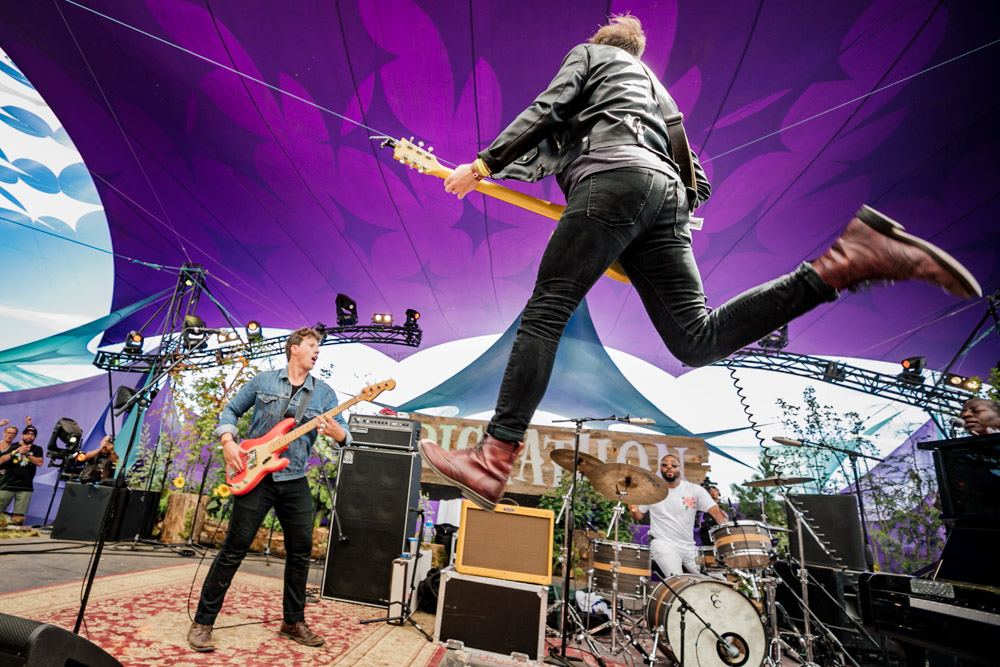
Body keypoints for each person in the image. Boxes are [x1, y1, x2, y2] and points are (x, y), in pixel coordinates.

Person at [418, 14, 982, 511]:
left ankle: (493, 459)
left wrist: (484, 164)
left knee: (547, 312)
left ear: (603, 41)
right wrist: (644, 222)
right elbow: (698, 182)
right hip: (665, 201)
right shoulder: (664, 99)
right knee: (697, 338)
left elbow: (550, 107)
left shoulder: (590, 56)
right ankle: (843, 263)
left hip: (612, 182)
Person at [187, 327, 352, 652]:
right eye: (311, 345)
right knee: (234, 548)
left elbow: (345, 431)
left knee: (301, 550)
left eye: (318, 347)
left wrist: (339, 434)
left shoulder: (324, 394)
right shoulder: (262, 382)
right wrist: (228, 442)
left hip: (294, 478)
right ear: (294, 348)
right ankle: (203, 622)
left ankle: (293, 621)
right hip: (254, 475)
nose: (317, 351)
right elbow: (230, 411)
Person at [626, 454, 727, 577]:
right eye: (664, 465)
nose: (669, 467)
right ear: (660, 469)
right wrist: (634, 510)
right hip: (663, 544)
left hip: (689, 547)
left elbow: (715, 511)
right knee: (677, 579)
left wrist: (725, 529)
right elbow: (638, 516)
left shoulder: (693, 490)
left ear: (680, 469)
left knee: (719, 581)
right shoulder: (652, 491)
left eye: (673, 464)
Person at [0, 418, 44, 524]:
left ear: (35, 437)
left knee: (18, 515)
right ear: (22, 436)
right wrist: (15, 452)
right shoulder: (13, 446)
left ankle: (15, 533)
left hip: (25, 487)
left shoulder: (37, 449)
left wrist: (27, 454)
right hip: (7, 484)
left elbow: (39, 462)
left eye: (32, 435)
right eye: (27, 434)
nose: (29, 436)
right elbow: (1, 460)